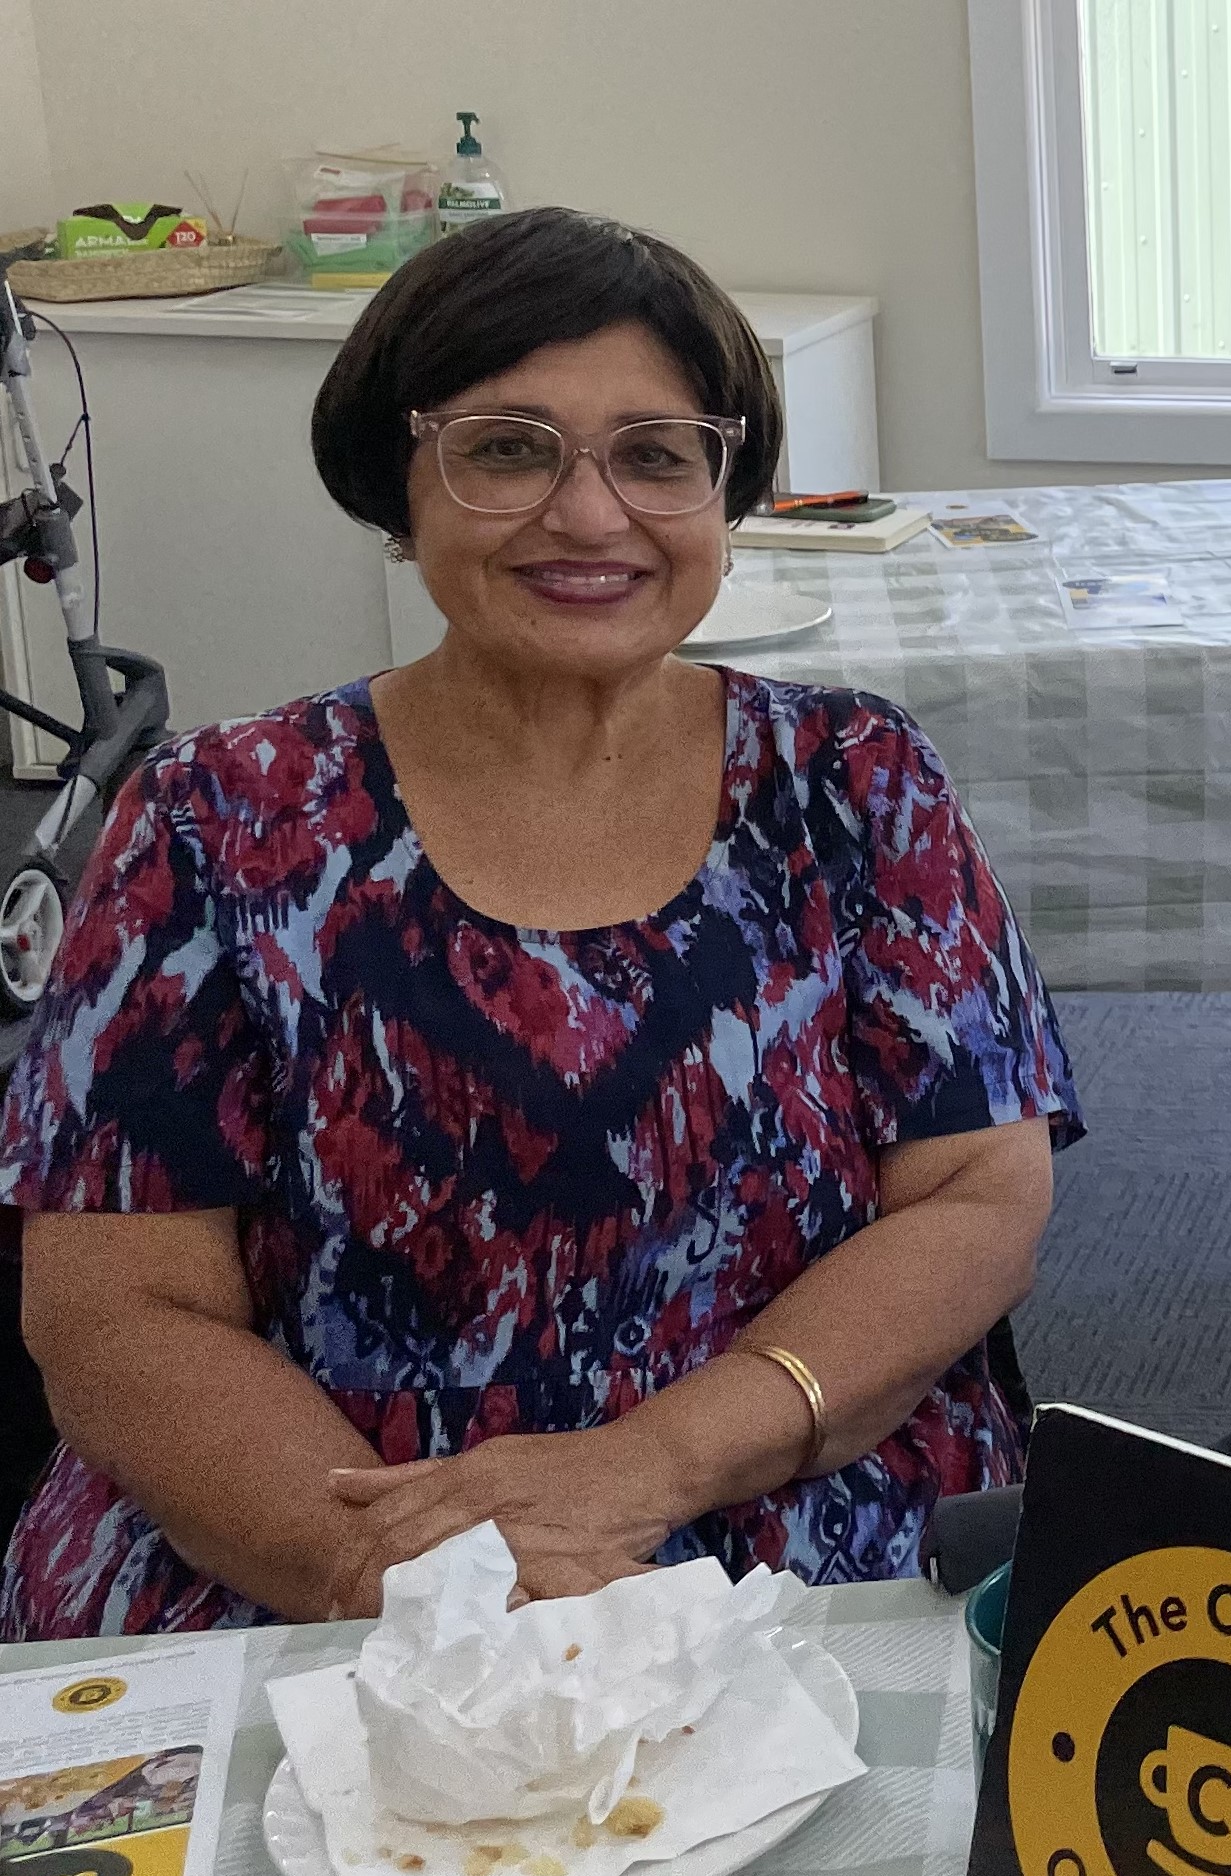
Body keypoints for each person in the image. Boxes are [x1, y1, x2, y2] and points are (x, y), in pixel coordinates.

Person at [0, 208, 1079, 1635]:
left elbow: (975, 1198)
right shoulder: (218, 816)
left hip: (790, 1501)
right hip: (315, 1528)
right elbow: (117, 1313)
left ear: (723, 490)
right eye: (507, 448)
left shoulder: (854, 784)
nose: (588, 515)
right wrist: (412, 1576)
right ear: (401, 480)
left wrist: (642, 1470)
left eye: (655, 455)